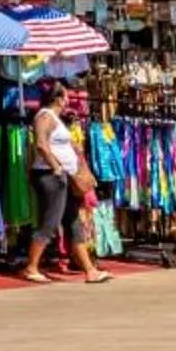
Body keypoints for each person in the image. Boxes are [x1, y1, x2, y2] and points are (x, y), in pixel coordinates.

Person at [20, 80, 109, 286]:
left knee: (73, 223)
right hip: (51, 176)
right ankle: (31, 267)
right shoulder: (44, 116)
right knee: (50, 223)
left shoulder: (57, 120)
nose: (68, 100)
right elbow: (41, 144)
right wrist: (56, 167)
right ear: (58, 99)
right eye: (66, 96)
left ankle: (90, 270)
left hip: (65, 177)